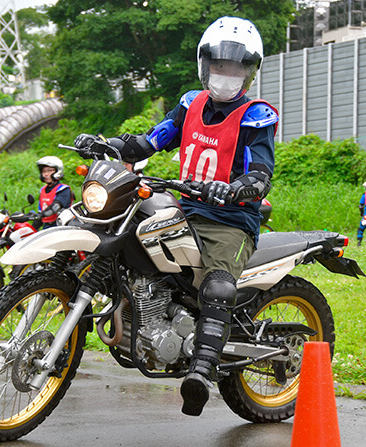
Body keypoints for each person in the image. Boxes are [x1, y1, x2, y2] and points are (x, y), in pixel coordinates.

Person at [73, 16, 278, 417]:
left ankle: (201, 372)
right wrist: (105, 144)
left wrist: (240, 187)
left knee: (218, 287)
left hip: (229, 220)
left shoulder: (257, 117)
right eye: (219, 66)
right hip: (184, 203)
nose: (226, 75)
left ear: (249, 73)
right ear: (205, 66)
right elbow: (150, 141)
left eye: (235, 68)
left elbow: (261, 171)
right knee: (129, 232)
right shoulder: (190, 104)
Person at [37, 156, 74, 229]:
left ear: (58, 171)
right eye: (44, 171)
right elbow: (40, 214)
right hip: (47, 226)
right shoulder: (43, 190)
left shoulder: (63, 189)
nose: (46, 174)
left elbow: (55, 207)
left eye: (50, 170)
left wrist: (39, 215)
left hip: (62, 226)